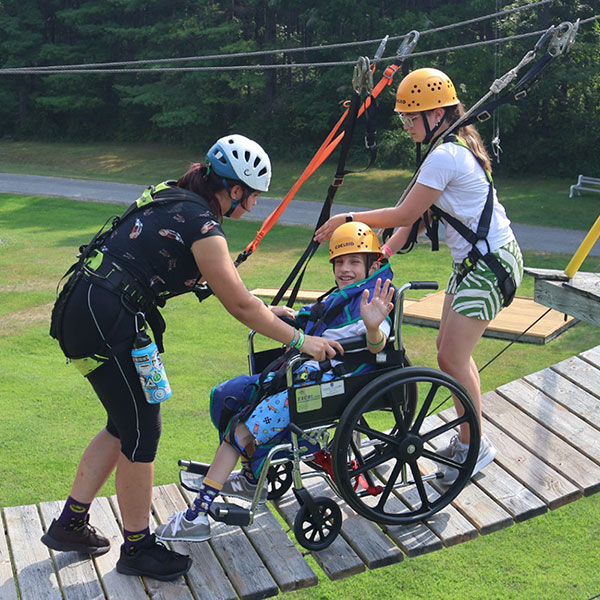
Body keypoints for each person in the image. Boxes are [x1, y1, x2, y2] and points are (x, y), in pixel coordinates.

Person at [41, 134, 342, 581]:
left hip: (82, 307)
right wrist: (303, 342)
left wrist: (268, 312)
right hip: (108, 315)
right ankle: (139, 547)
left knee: (123, 423)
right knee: (143, 429)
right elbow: (239, 306)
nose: (255, 205)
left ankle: (70, 523)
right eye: (253, 194)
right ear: (234, 189)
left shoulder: (172, 197)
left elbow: (230, 293)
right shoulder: (203, 225)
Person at [315, 68, 524, 485]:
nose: (407, 124)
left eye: (412, 117)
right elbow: (420, 219)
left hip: (490, 265)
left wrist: (347, 217)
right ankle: (471, 441)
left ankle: (474, 447)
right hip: (475, 264)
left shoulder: (446, 154)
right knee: (450, 354)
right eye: (406, 117)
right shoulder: (447, 148)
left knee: (451, 358)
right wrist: (384, 252)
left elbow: (403, 214)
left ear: (437, 114)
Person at [154, 221, 395, 542]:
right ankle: (253, 475)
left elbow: (379, 348)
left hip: (321, 388)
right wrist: (289, 316)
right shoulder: (342, 297)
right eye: (339, 262)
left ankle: (196, 515)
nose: (345, 269)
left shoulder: (375, 303)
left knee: (237, 433)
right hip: (297, 378)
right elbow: (320, 324)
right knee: (227, 396)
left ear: (373, 265)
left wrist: (374, 327)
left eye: (354, 262)